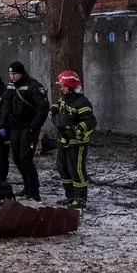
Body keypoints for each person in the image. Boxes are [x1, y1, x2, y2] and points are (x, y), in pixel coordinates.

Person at [0, 60, 49, 201]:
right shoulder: (10, 87)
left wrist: (34, 126)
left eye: (14, 74)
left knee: (26, 158)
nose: (12, 77)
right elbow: (6, 107)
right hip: (15, 127)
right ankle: (27, 187)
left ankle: (34, 190)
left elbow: (43, 108)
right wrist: (3, 125)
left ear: (21, 73)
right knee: (17, 158)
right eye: (10, 74)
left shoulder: (33, 86)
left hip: (28, 127)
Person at [49, 70, 97, 209]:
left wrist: (75, 130)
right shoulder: (65, 98)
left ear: (71, 86)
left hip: (77, 144)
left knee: (77, 170)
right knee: (62, 167)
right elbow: (59, 104)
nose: (62, 88)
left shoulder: (82, 103)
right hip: (64, 142)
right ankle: (70, 196)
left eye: (64, 86)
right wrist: (53, 108)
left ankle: (80, 198)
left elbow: (91, 122)